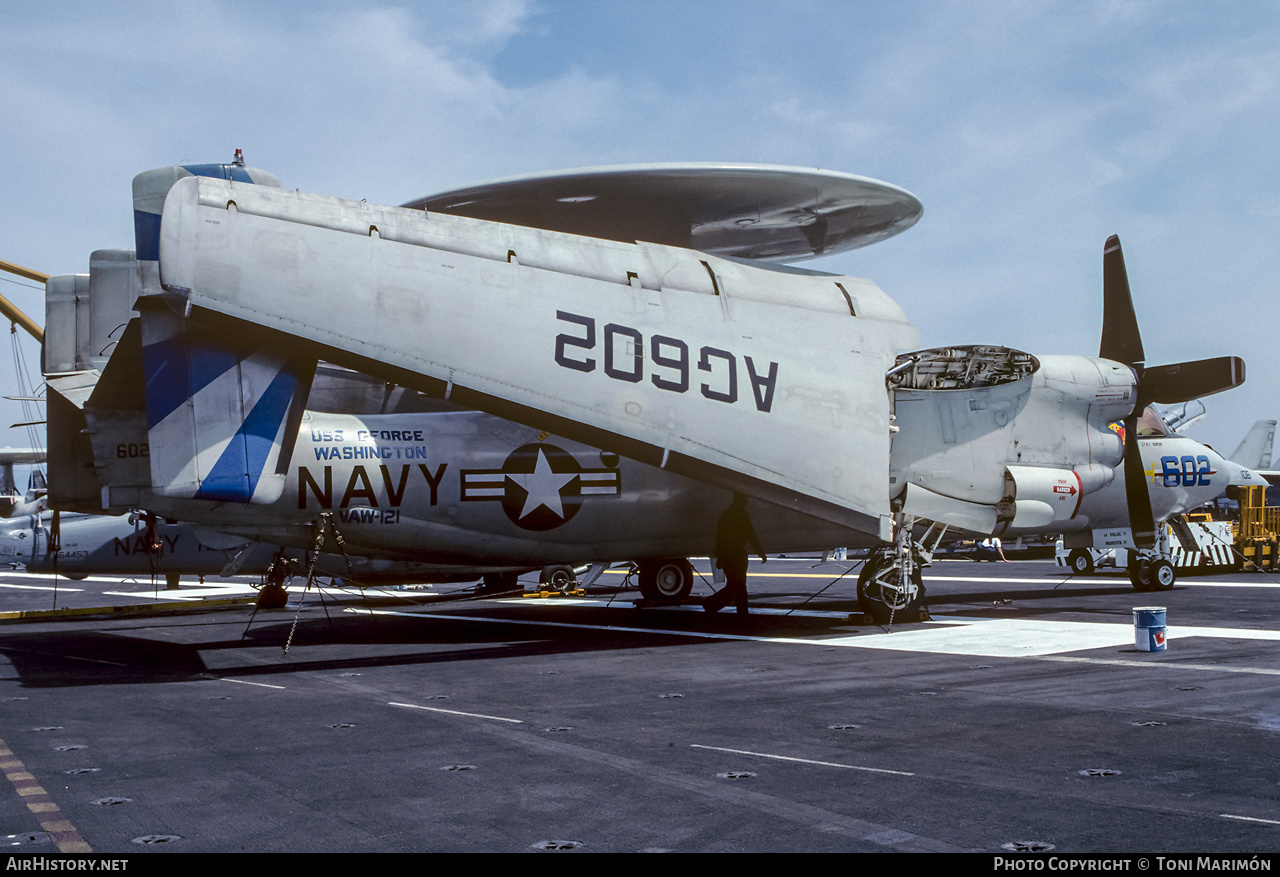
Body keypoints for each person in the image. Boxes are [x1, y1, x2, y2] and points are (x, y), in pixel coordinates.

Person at [704, 494, 767, 616]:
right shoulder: (742, 515)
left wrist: (720, 556)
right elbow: (751, 535)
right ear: (741, 499)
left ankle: (712, 604)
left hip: (728, 556)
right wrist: (760, 552)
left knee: (735, 585)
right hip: (738, 556)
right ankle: (737, 612)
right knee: (739, 586)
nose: (747, 501)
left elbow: (719, 538)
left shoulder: (725, 515)